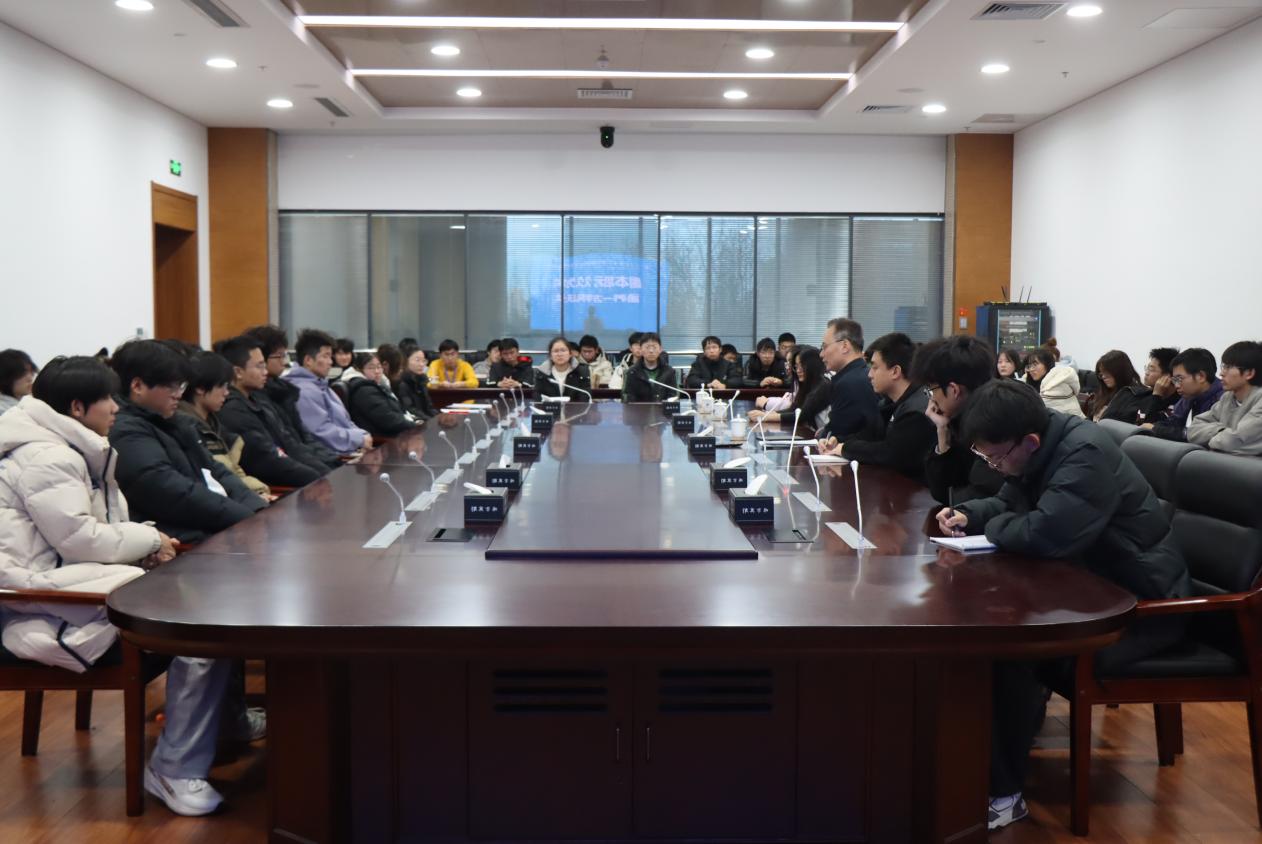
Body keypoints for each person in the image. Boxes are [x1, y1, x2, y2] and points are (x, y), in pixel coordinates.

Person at [0, 355, 259, 817]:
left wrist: (144, 547)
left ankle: (217, 731)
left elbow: (90, 535)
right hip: (46, 607)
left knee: (210, 608)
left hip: (73, 586)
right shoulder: (47, 457)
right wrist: (149, 542)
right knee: (200, 632)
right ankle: (173, 768)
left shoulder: (73, 446)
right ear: (77, 407)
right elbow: (80, 540)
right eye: (107, 398)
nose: (116, 407)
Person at [937, 379, 1189, 831]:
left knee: (1007, 651)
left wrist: (994, 528)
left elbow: (1045, 536)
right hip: (1091, 591)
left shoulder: (1083, 455)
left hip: (1139, 609)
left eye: (996, 458)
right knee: (985, 635)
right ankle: (974, 764)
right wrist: (970, 515)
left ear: (1030, 442)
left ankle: (1003, 792)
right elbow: (1010, 503)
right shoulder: (1040, 443)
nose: (994, 466)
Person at [108, 340, 266, 544]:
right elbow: (169, 490)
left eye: (181, 385)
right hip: (181, 542)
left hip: (213, 528)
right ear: (137, 386)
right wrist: (244, 518)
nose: (179, 394)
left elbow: (216, 471)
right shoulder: (125, 432)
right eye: (172, 386)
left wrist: (256, 508)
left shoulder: (176, 423)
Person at [215, 336, 329, 487]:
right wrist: (318, 478)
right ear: (238, 372)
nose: (265, 372)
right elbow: (268, 459)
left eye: (264, 365)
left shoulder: (260, 399)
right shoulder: (232, 411)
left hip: (297, 476)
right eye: (259, 366)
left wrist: (326, 472)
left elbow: (291, 443)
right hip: (275, 486)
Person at [822, 332, 935, 479]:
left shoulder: (916, 411)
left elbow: (890, 453)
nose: (869, 374)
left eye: (875, 367)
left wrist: (845, 448)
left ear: (895, 371)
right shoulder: (888, 404)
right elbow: (870, 435)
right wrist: (839, 441)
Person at [914, 336, 1003, 505]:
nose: (931, 399)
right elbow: (943, 492)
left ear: (954, 390)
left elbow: (980, 494)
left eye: (931, 389)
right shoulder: (960, 418)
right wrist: (943, 433)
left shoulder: (994, 422)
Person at [244, 324, 342, 471]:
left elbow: (303, 438)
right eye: (280, 356)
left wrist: (332, 461)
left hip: (308, 462)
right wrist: (324, 472)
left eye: (285, 355)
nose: (285, 362)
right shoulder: (259, 398)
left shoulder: (283, 391)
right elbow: (286, 448)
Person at [177, 351, 271, 499]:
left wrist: (259, 491)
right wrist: (254, 497)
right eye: (222, 386)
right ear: (200, 388)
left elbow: (235, 471)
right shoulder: (186, 428)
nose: (227, 393)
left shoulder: (215, 425)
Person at [282, 329, 372, 456]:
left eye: (330, 356)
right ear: (308, 360)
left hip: (347, 451)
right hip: (331, 458)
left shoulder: (322, 385)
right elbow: (321, 432)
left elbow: (345, 422)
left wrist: (362, 435)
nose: (330, 362)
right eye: (325, 356)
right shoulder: (303, 391)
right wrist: (359, 438)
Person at [1187, 340, 1262, 455]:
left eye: (1227, 367)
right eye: (1223, 366)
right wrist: (1221, 430)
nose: (1221, 373)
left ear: (1249, 373)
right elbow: (1193, 429)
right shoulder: (1227, 398)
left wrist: (1211, 436)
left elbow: (1233, 442)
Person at [1142, 348, 1223, 442]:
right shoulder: (1189, 396)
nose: (1176, 385)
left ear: (1201, 376)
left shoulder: (1224, 399)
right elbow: (1172, 422)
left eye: (1179, 379)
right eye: (1174, 380)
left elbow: (1204, 435)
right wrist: (1155, 427)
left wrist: (1157, 429)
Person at [819, 318, 880, 441]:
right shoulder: (862, 373)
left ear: (845, 346)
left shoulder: (848, 383)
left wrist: (824, 434)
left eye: (824, 347)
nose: (821, 354)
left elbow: (834, 436)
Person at [342, 352, 423, 438]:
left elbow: (397, 411)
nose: (377, 371)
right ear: (359, 370)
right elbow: (388, 420)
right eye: (371, 368)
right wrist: (415, 426)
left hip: (396, 431)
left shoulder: (380, 385)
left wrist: (416, 421)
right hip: (383, 437)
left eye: (379, 367)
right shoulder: (364, 390)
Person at [748, 347, 828, 432]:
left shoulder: (823, 385)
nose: (798, 370)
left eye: (802, 366)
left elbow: (802, 416)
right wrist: (765, 414)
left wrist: (766, 417)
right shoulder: (807, 385)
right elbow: (794, 409)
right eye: (796, 366)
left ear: (812, 365)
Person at [1088, 350, 1151, 424]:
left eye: (1107, 372)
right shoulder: (1103, 394)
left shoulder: (1138, 395)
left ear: (1120, 371)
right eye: (1101, 374)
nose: (1103, 377)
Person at [1022, 346, 1085, 418]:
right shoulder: (1032, 382)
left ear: (1047, 364)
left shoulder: (1057, 384)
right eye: (1029, 366)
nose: (1031, 369)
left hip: (1073, 423)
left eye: (1035, 364)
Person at [382, 343, 438, 420]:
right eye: (417, 360)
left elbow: (429, 406)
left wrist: (438, 417)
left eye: (423, 360)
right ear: (405, 361)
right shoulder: (400, 382)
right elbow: (409, 409)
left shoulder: (422, 379)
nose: (421, 364)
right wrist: (429, 420)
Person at [622, 333, 679, 402]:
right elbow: (628, 399)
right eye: (647, 347)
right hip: (639, 409)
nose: (651, 351)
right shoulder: (632, 372)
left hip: (662, 408)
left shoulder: (669, 371)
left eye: (654, 347)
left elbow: (673, 397)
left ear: (660, 349)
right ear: (641, 349)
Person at [535, 336, 592, 400]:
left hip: (575, 406)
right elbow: (538, 399)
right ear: (550, 356)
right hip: (549, 406)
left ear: (570, 354)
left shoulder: (582, 372)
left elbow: (584, 398)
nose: (559, 354)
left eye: (563, 350)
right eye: (556, 351)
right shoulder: (542, 374)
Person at [1140, 346, 1181, 420]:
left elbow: (1150, 423)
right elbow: (1139, 424)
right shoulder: (1144, 398)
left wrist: (1157, 395)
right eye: (1147, 368)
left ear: (1167, 376)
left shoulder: (1180, 403)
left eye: (1151, 369)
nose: (1146, 373)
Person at [0, 349, 37, 416]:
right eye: (23, 373)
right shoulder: (4, 412)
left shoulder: (25, 406)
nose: (30, 378)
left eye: (32, 372)